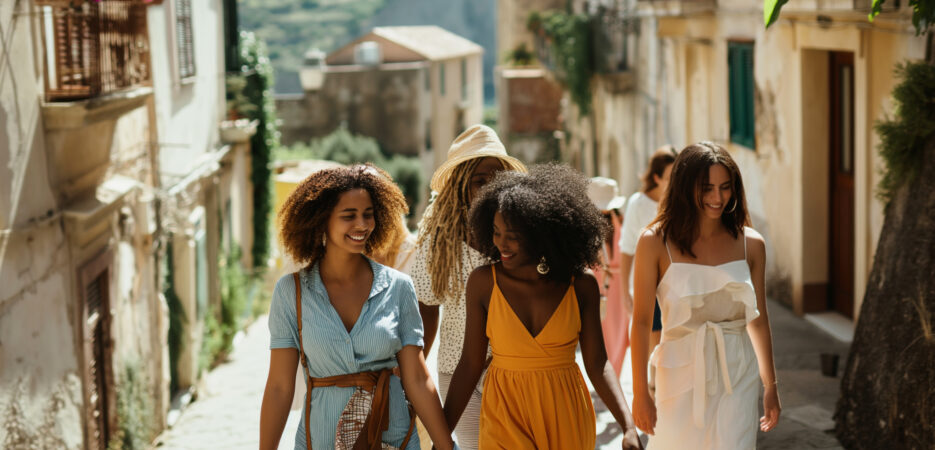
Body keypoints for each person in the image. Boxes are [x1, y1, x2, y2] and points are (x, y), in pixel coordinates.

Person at [444, 164, 643, 450]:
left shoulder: (581, 285)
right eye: (496, 231)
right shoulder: (483, 282)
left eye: (513, 234)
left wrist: (628, 425)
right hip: (504, 413)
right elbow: (470, 363)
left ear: (544, 232)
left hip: (565, 414)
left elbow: (598, 363)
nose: (501, 243)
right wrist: (442, 434)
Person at [259, 164, 456, 450]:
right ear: (321, 221)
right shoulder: (291, 292)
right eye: (348, 216)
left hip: (392, 437)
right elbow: (279, 386)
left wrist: (446, 446)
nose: (362, 225)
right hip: (321, 440)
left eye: (368, 214)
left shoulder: (399, 287)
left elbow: (416, 377)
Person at [630, 143, 781, 449]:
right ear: (686, 188)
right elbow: (642, 321)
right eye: (707, 188)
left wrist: (770, 386)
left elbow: (759, 320)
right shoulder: (654, 242)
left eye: (725, 187)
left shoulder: (751, 244)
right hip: (679, 370)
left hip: (737, 370)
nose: (717, 198)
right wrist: (640, 394)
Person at [411, 125, 526, 449]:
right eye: (480, 179)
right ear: (461, 184)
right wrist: (414, 373)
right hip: (456, 372)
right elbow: (427, 307)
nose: (490, 186)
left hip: (514, 370)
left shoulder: (525, 230)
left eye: (497, 177)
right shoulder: (439, 235)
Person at [619, 146, 678, 354]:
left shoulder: (681, 204)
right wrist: (625, 291)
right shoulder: (638, 204)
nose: (675, 183)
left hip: (675, 282)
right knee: (653, 344)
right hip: (648, 283)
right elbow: (627, 249)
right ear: (656, 177)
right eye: (670, 177)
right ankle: (654, 385)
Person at [587, 177, 630, 376]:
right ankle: (609, 375)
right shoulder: (620, 221)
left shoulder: (617, 222)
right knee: (608, 334)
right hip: (607, 284)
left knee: (613, 334)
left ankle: (610, 375)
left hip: (611, 284)